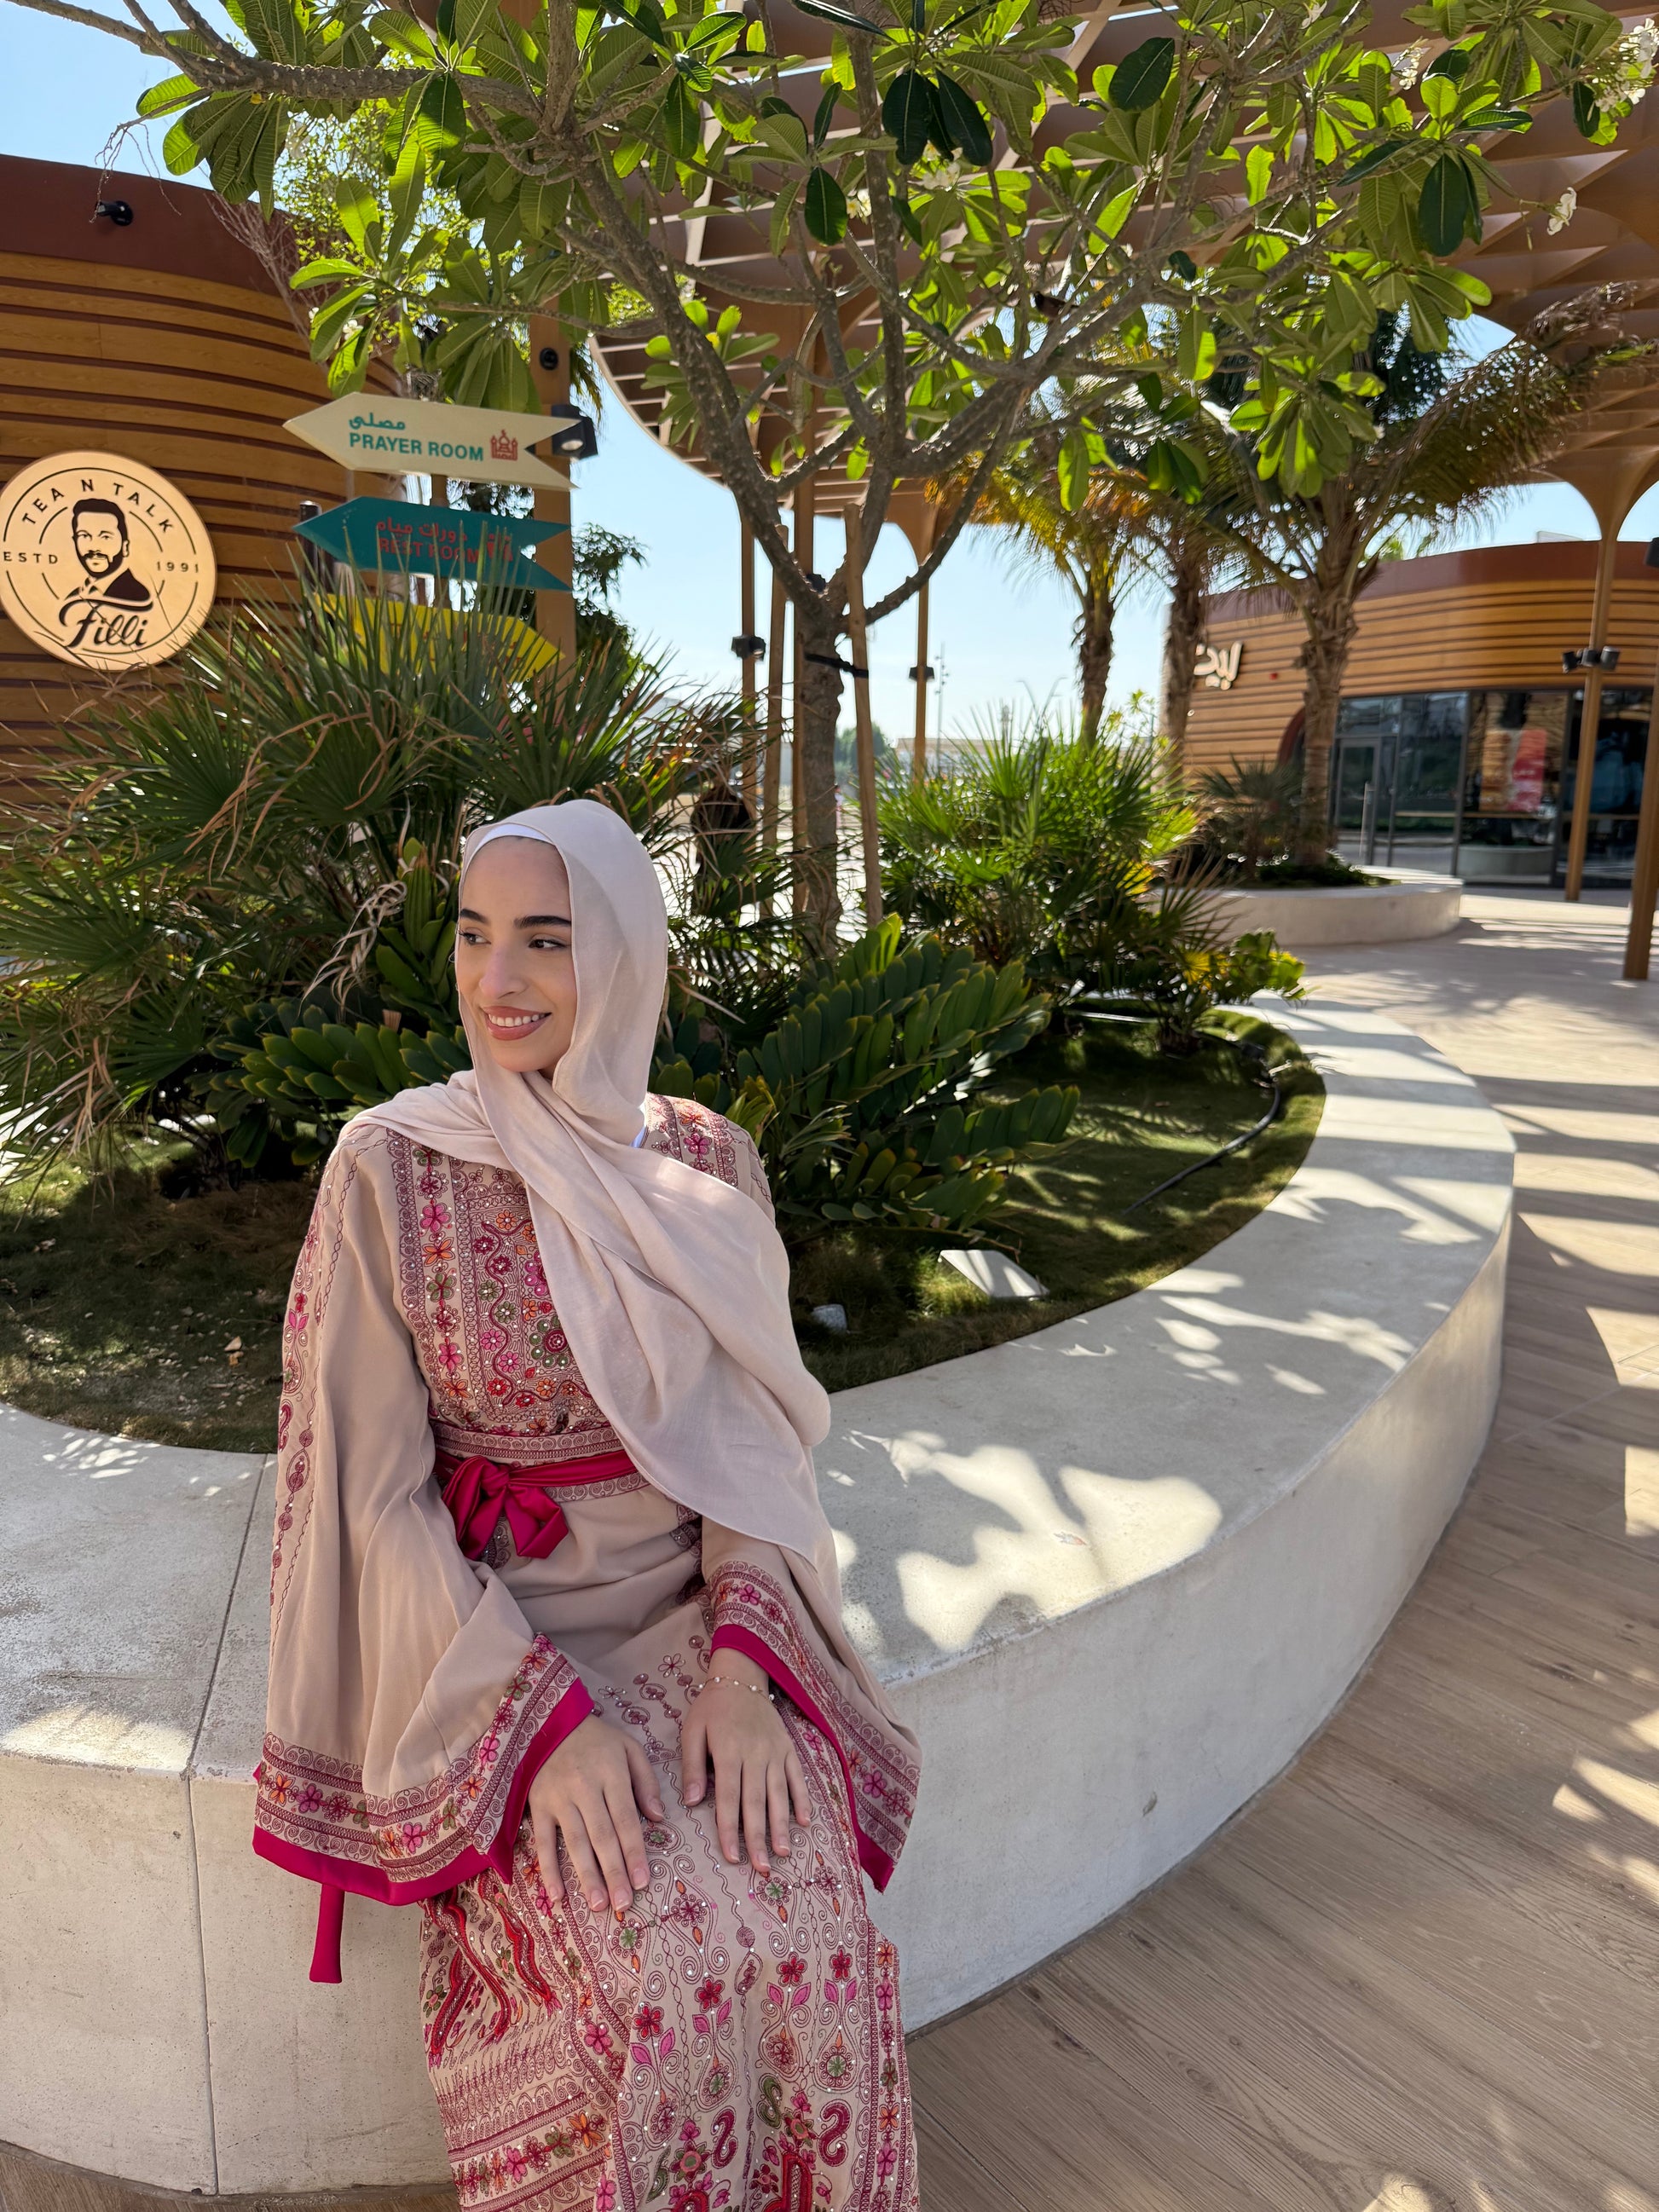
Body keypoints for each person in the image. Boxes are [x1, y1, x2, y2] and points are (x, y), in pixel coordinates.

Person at [253, 799, 921, 2212]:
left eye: (546, 941)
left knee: (819, 1938)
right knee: (651, 1970)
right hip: (488, 1641)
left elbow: (747, 1448)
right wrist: (537, 1731)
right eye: (474, 935)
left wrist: (744, 1672)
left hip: (696, 1617)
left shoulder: (706, 1163)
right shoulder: (390, 1166)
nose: (496, 980)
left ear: (619, 955)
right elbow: (369, 1492)